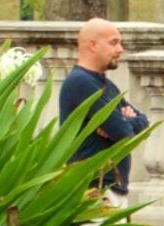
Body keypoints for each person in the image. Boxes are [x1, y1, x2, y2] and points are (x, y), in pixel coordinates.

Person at [58, 17, 147, 198]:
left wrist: (126, 120)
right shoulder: (81, 83)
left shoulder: (106, 84)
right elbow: (123, 133)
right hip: (94, 190)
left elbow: (144, 122)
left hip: (113, 188)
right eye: (113, 43)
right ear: (92, 45)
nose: (120, 50)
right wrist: (124, 121)